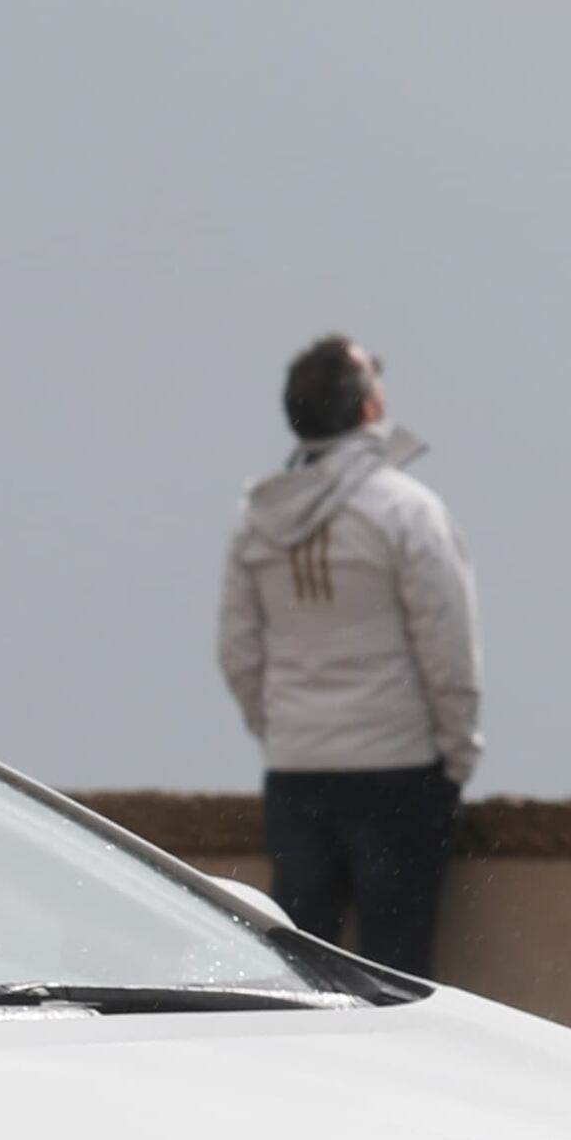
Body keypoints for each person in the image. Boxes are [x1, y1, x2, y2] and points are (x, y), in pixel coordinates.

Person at [217, 335, 480, 978]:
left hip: (298, 768)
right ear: (368, 410)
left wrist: (277, 727)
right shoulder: (407, 511)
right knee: (395, 972)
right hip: (398, 768)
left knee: (297, 973)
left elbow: (238, 649)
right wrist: (459, 749)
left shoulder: (257, 519)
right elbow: (447, 646)